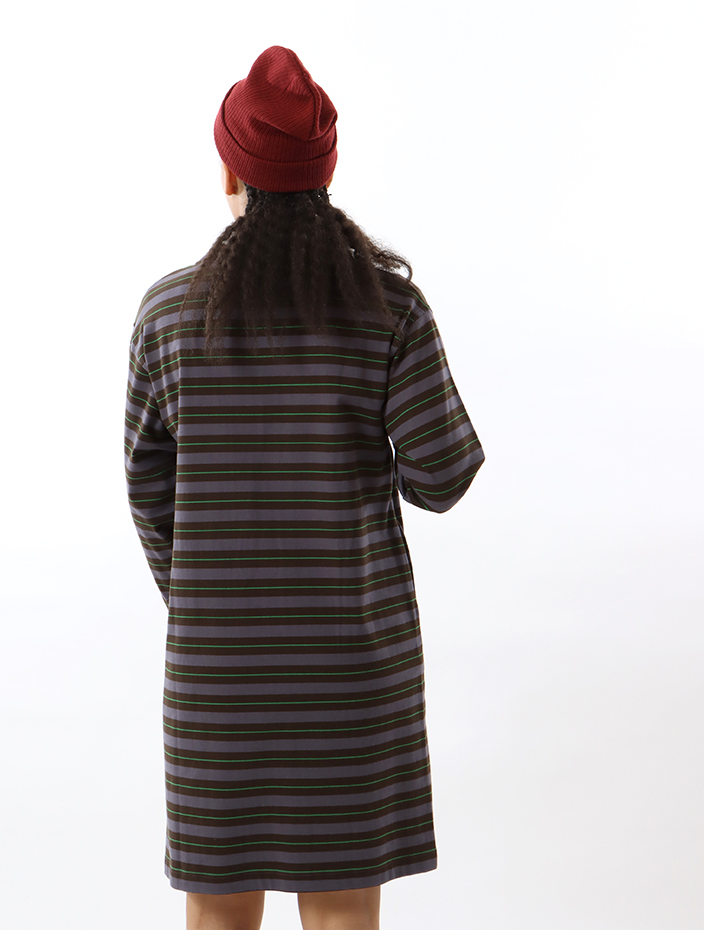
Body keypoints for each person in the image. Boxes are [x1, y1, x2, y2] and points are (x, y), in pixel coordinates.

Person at [125, 46, 485, 930]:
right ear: (326, 173)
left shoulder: (167, 316)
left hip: (217, 675)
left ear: (229, 173)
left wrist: (207, 597)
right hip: (351, 672)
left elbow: (148, 492)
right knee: (340, 914)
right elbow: (442, 478)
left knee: (218, 916)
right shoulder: (389, 310)